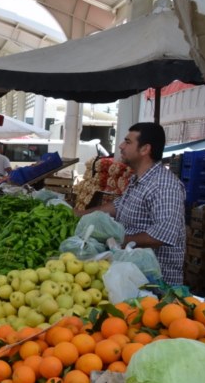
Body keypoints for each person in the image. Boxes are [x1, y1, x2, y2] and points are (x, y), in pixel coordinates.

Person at [78, 122, 185, 285]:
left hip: (156, 284)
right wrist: (77, 215)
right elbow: (117, 206)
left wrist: (116, 241)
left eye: (128, 142)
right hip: (132, 276)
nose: (121, 146)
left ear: (145, 149)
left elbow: (163, 235)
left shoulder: (164, 185)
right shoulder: (138, 180)